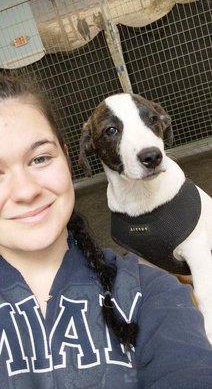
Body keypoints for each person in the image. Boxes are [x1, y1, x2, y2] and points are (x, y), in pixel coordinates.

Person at [0, 73, 211, 389]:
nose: (26, 191)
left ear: (69, 159)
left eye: (40, 158)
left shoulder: (151, 292)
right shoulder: (127, 232)